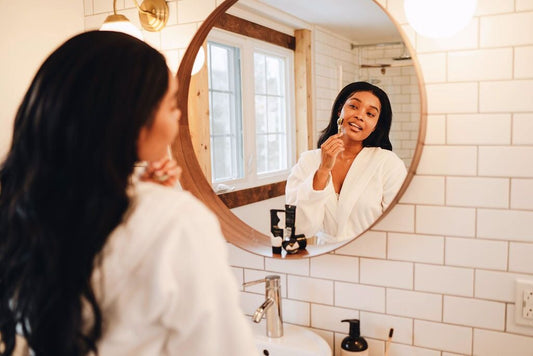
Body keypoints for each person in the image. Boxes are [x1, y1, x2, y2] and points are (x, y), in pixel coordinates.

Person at [0, 31, 258, 355]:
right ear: (132, 119)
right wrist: (153, 205)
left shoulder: (22, 210)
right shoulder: (179, 223)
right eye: (171, 104)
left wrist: (141, 197)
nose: (178, 116)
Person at [286, 82, 407, 244]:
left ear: (376, 126)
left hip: (371, 257)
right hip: (324, 258)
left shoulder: (388, 164)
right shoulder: (308, 161)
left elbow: (397, 225)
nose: (360, 116)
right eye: (354, 106)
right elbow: (300, 228)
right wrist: (322, 171)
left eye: (370, 114)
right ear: (339, 111)